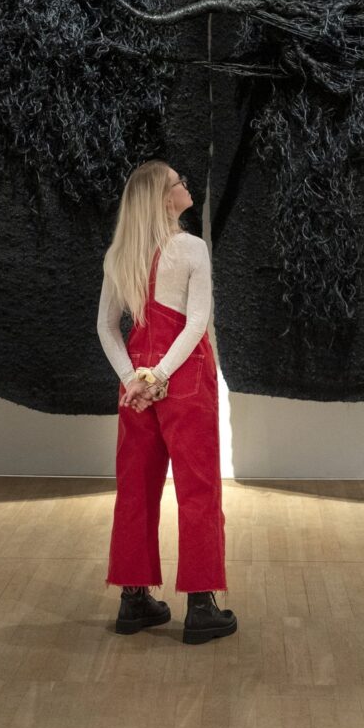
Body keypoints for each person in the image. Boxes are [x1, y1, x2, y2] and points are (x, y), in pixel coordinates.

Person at [97, 159, 237, 644]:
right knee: (198, 490)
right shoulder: (192, 249)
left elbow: (106, 328)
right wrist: (160, 375)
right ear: (163, 198)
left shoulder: (120, 255)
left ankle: (133, 600)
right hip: (185, 379)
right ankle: (201, 606)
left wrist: (134, 379)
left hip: (136, 383)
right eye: (179, 181)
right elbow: (196, 324)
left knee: (134, 487)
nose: (185, 184)